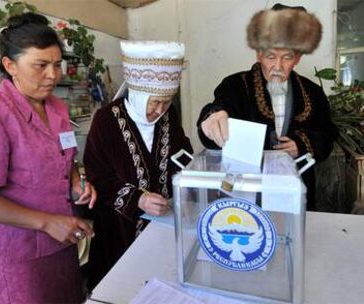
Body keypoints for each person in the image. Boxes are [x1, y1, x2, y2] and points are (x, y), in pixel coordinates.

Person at [0, 13, 96, 303]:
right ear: (10, 66)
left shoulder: (57, 108)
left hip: (62, 245)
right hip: (19, 256)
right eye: (40, 65)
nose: (52, 75)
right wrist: (47, 222)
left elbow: (64, 160)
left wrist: (76, 183)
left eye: (57, 65)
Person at [197, 4, 338, 211]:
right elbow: (221, 106)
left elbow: (328, 134)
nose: (278, 66)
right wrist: (212, 117)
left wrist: (303, 144)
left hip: (295, 189)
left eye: (287, 57)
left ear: (298, 57)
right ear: (259, 54)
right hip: (245, 192)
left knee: (293, 239)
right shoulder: (235, 85)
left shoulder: (313, 92)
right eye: (271, 57)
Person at [83, 41, 193, 290]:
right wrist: (138, 200)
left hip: (163, 223)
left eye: (166, 102)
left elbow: (183, 155)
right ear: (139, 94)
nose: (159, 110)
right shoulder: (107, 121)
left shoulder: (169, 118)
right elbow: (96, 175)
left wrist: (187, 188)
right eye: (154, 102)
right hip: (119, 230)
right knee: (122, 288)